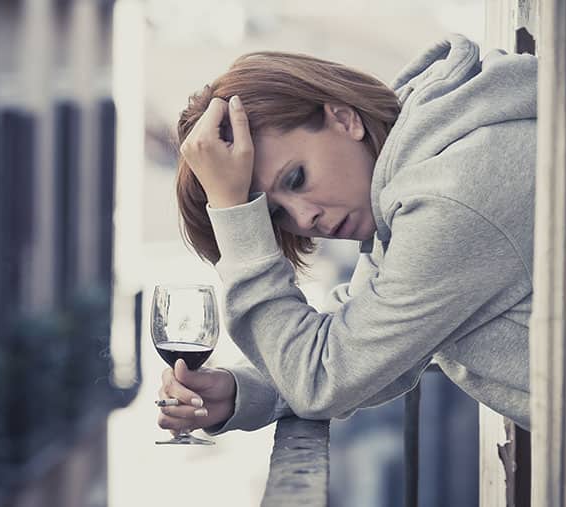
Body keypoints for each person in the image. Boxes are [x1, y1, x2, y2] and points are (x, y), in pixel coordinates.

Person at [157, 34, 537, 438]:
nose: (305, 218)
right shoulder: (412, 175)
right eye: (276, 214)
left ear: (343, 118)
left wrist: (235, 216)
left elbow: (321, 382)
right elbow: (359, 345)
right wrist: (241, 392)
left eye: (296, 178)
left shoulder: (451, 195)